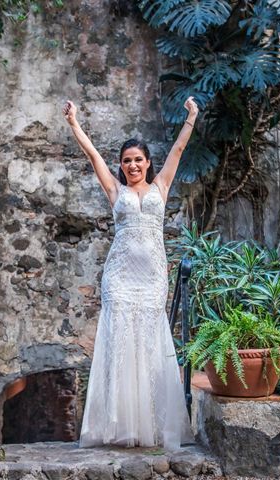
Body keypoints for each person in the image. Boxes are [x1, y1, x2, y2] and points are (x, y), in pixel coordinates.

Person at [63, 97, 199, 450]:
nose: (132, 165)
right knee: (121, 346)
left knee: (151, 343)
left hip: (152, 275)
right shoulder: (116, 190)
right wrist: (75, 123)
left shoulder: (161, 187)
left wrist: (191, 117)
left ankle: (153, 425)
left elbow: (180, 149)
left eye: (138, 159)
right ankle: (119, 425)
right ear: (121, 166)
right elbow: (93, 156)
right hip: (119, 276)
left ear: (148, 162)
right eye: (126, 161)